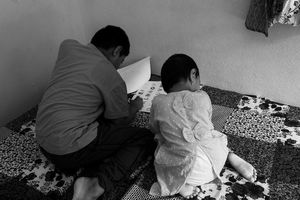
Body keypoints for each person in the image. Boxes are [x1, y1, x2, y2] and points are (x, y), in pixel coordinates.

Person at [35, 25, 156, 200]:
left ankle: (86, 166)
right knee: (144, 137)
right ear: (117, 51)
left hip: (43, 141)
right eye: (120, 62)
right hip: (66, 150)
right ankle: (96, 183)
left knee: (100, 119)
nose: (117, 68)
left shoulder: (68, 47)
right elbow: (121, 121)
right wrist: (135, 106)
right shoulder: (111, 77)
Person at [149, 54, 257, 199]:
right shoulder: (203, 96)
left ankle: (180, 186)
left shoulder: (157, 102)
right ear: (193, 74)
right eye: (199, 79)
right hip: (216, 160)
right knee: (213, 134)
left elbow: (154, 128)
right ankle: (230, 156)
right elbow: (207, 122)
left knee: (160, 144)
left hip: (187, 174)